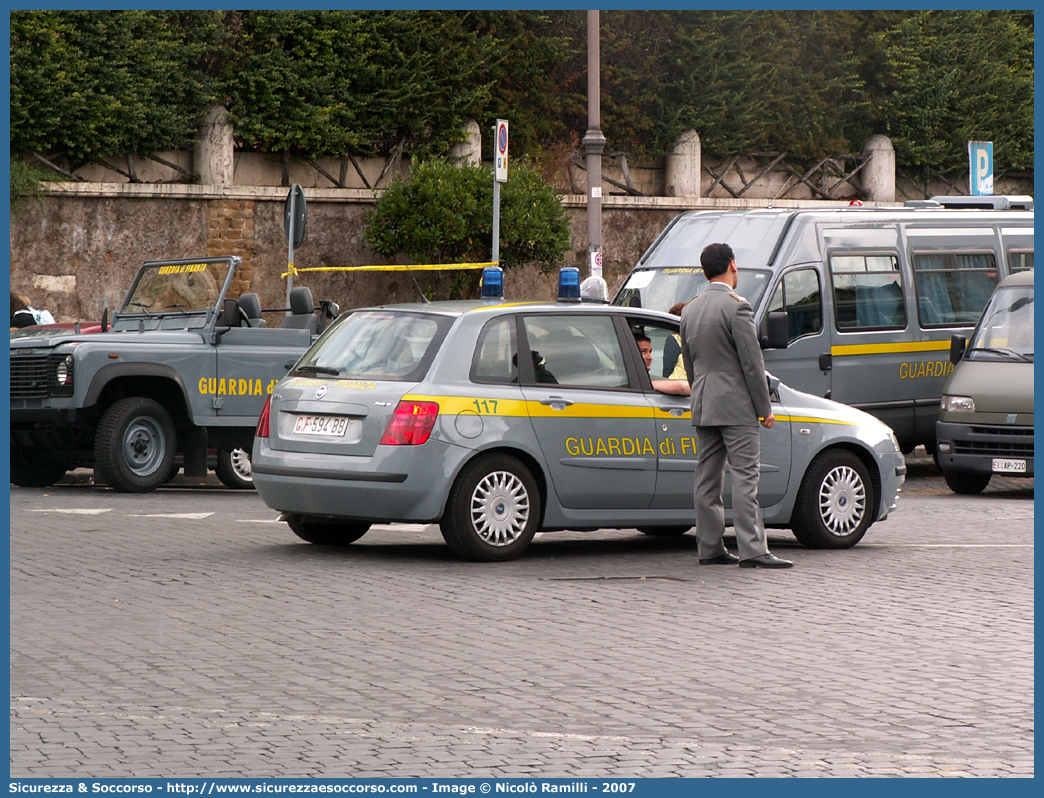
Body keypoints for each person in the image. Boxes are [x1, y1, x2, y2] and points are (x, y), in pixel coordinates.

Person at [679, 243, 793, 569]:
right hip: (736, 407)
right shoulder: (737, 308)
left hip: (703, 403)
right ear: (732, 265)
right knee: (745, 478)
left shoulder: (691, 309)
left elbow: (689, 364)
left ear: (704, 272)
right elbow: (752, 364)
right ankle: (753, 549)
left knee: (707, 480)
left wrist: (697, 395)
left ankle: (710, 547)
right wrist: (764, 408)